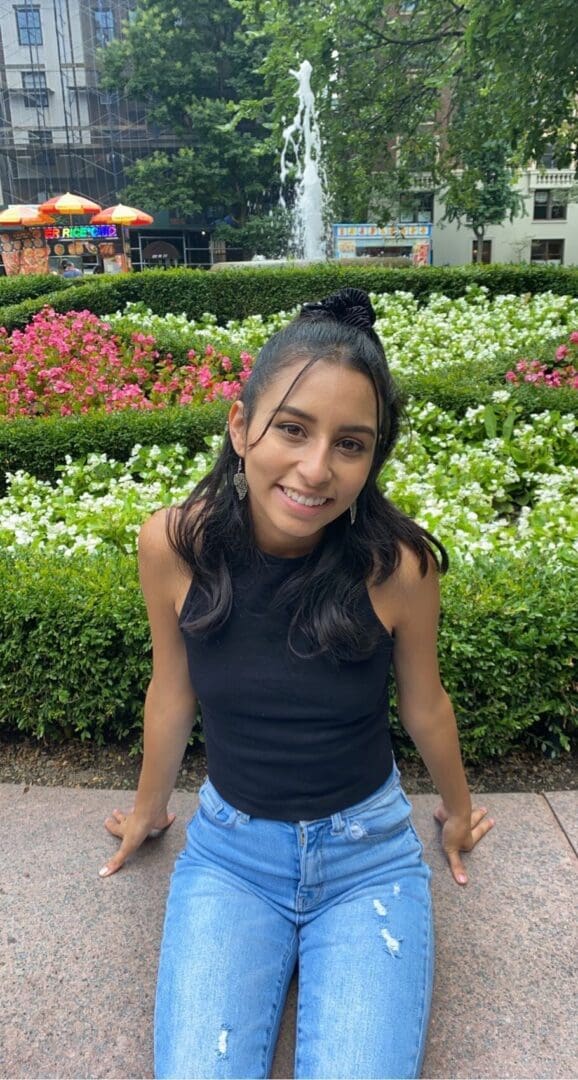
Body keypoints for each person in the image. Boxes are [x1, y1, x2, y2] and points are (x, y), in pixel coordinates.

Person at [100, 288, 494, 1079]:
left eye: (351, 444)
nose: (317, 469)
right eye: (291, 428)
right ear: (241, 427)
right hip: (229, 857)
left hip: (371, 858)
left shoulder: (398, 567)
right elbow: (171, 692)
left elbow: (426, 707)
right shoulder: (174, 544)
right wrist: (149, 809)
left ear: (372, 458)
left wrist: (454, 812)